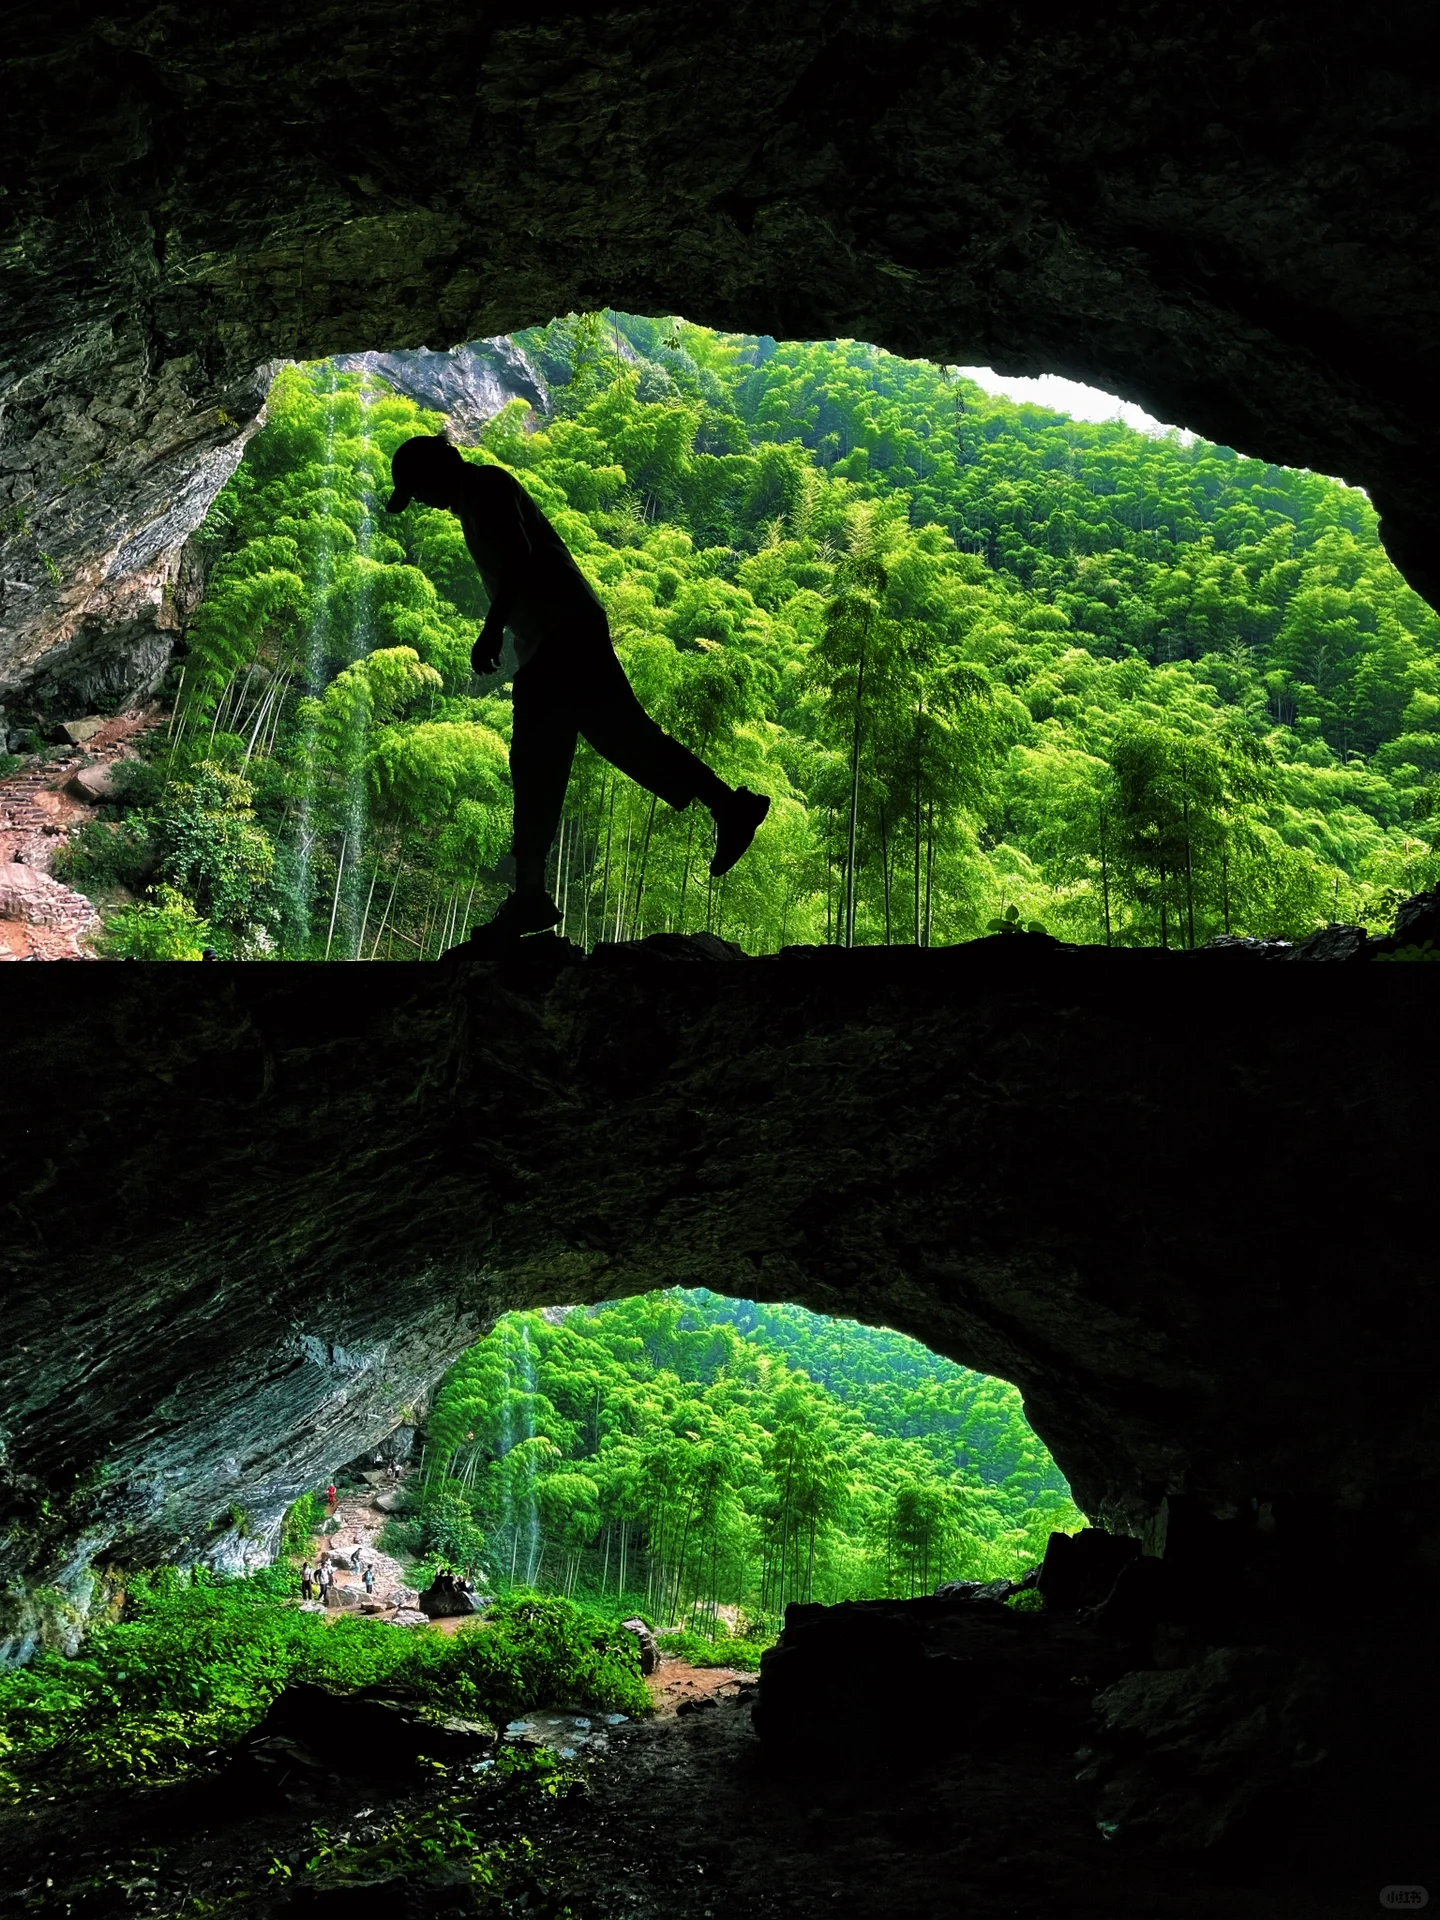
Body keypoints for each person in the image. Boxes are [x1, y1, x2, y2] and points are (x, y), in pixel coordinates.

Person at [384, 435, 771, 946]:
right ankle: (729, 807)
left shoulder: (485, 489)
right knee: (621, 740)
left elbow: (521, 558)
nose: (424, 500)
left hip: (560, 633)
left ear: (440, 469)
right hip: (559, 633)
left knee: (539, 757)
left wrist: (491, 628)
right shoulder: (474, 499)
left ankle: (530, 895)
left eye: (419, 488)